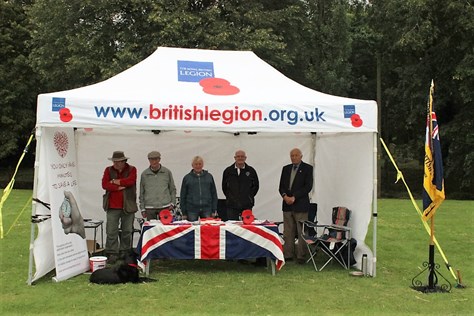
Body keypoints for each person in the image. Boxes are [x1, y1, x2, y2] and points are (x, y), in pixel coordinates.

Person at [102, 151, 138, 264]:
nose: (116, 164)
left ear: (124, 161)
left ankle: (125, 252)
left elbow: (131, 182)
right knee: (111, 230)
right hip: (112, 205)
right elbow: (104, 184)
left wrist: (115, 181)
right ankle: (112, 252)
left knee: (127, 230)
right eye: (114, 162)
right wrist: (118, 187)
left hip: (128, 205)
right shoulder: (108, 170)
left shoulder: (132, 169)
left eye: (118, 162)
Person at [278, 148, 313, 264]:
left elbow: (308, 186)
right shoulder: (286, 169)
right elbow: (281, 186)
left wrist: (294, 197)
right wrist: (285, 196)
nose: (293, 157)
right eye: (292, 155)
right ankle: (287, 254)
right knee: (288, 231)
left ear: (301, 156)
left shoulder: (307, 168)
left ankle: (301, 255)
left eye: (296, 155)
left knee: (301, 231)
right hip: (287, 205)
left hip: (300, 205)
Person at [222, 150, 259, 220]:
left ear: (245, 158)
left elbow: (256, 186)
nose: (240, 158)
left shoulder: (251, 171)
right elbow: (224, 187)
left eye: (242, 156)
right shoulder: (228, 171)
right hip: (232, 206)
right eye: (238, 156)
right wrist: (230, 197)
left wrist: (249, 196)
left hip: (247, 205)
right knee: (232, 227)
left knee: (247, 227)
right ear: (235, 158)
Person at [139, 151, 177, 220]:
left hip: (165, 206)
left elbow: (172, 188)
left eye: (156, 159)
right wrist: (142, 208)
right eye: (151, 159)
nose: (154, 162)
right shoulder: (144, 174)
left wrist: (173, 203)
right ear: (149, 160)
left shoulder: (167, 172)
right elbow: (142, 192)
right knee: (151, 229)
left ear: (159, 159)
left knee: (164, 229)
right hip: (149, 207)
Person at [180, 156, 218, 221]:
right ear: (192, 165)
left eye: (200, 164)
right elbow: (183, 195)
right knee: (192, 229)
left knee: (207, 229)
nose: (198, 166)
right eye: (196, 164)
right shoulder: (187, 178)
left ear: (202, 165)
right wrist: (184, 212)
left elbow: (214, 193)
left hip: (207, 209)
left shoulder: (209, 176)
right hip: (192, 209)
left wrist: (214, 209)